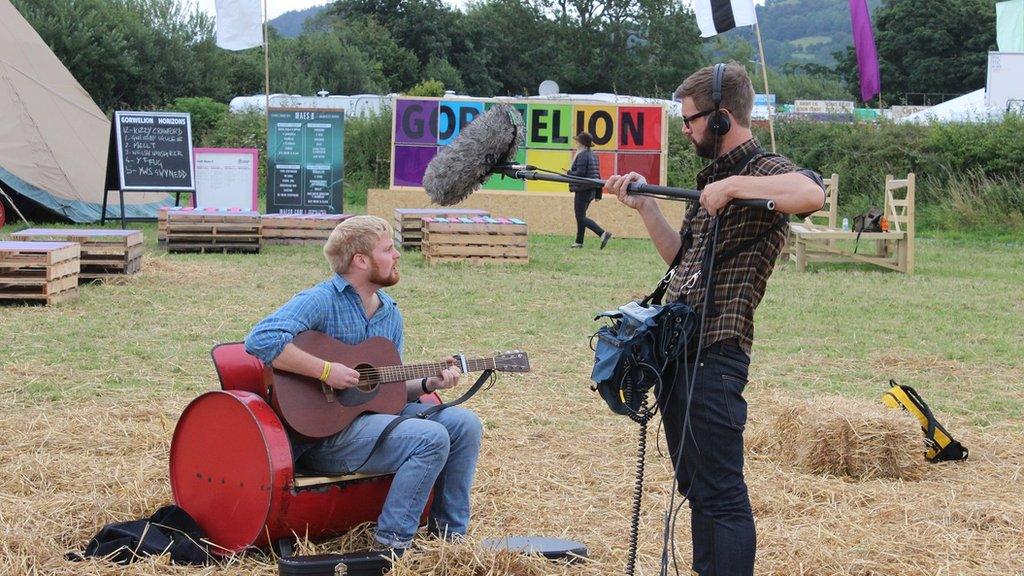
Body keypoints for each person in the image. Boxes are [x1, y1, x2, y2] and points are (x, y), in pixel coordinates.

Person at [605, 62, 825, 576]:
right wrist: (645, 209)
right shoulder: (711, 178)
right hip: (681, 351)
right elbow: (681, 257)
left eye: (691, 120)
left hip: (718, 354)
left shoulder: (764, 169)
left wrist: (737, 188)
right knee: (698, 487)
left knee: (721, 495)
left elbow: (811, 193)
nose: (686, 130)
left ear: (723, 119)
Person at [244, 215, 483, 554]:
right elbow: (260, 339)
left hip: (374, 425)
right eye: (388, 249)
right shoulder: (321, 299)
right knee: (429, 437)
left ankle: (450, 539)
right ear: (361, 260)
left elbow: (387, 390)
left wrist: (430, 382)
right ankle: (392, 546)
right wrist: (326, 371)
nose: (397, 255)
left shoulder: (390, 313)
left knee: (465, 424)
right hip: (324, 435)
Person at [566, 131, 612, 249]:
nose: (576, 144)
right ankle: (578, 242)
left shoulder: (581, 155)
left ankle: (602, 233)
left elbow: (580, 174)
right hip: (592, 190)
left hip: (583, 190)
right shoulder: (594, 155)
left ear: (582, 144)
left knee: (580, 217)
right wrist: (598, 194)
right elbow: (597, 175)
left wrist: (569, 173)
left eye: (577, 142)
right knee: (581, 216)